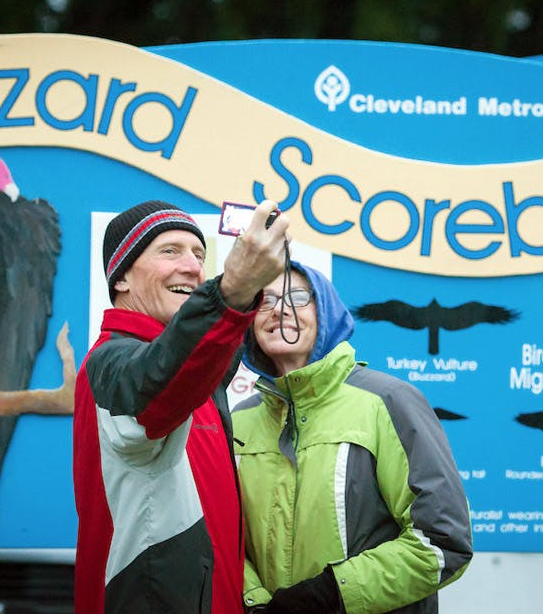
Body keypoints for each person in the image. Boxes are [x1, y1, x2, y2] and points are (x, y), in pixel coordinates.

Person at [73, 199, 290, 614]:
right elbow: (157, 379)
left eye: (199, 254)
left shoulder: (201, 380)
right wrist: (234, 289)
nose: (192, 266)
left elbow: (201, 354)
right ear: (120, 279)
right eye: (169, 251)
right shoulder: (109, 364)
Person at [231, 260, 473, 614]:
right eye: (264, 300)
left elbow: (442, 541)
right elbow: (225, 536)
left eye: (297, 297)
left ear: (327, 311)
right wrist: (256, 601)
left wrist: (331, 594)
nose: (279, 309)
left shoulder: (387, 402)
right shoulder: (240, 419)